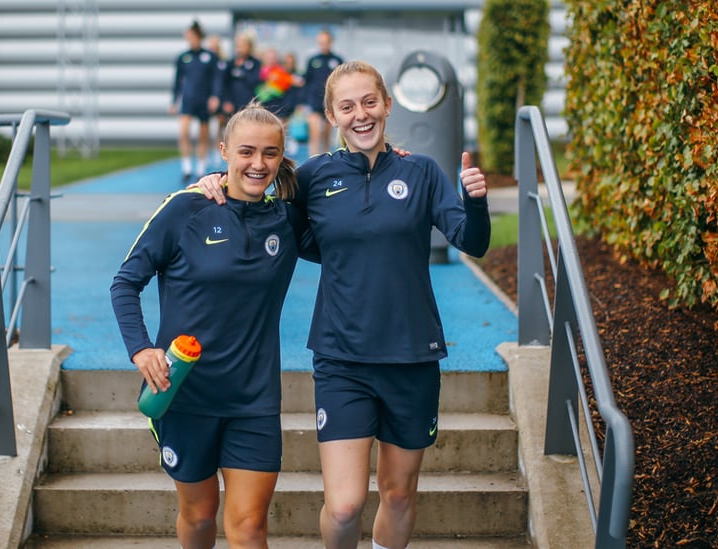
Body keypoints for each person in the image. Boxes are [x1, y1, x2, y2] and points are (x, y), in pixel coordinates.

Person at [195, 60, 490, 549]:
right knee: (346, 504)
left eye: (369, 102)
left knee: (397, 496)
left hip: (412, 357)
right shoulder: (312, 177)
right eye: (347, 106)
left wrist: (474, 201)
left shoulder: (422, 172)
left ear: (388, 105)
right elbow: (257, 195)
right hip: (341, 358)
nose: (361, 114)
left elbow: (472, 242)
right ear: (331, 115)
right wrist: (210, 183)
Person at [110, 103, 310, 549]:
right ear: (223, 151)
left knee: (249, 528)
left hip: (253, 400)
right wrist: (141, 349)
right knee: (199, 518)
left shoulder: (288, 217)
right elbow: (125, 282)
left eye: (270, 153)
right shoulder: (186, 210)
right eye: (246, 151)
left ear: (281, 157)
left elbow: (346, 193)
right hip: (184, 395)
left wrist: (389, 156)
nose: (258, 164)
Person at [170, 20, 221, 183]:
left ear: (198, 36)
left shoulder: (210, 57)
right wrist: (174, 101)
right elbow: (178, 81)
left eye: (191, 36)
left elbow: (216, 80)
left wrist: (215, 96)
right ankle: (186, 167)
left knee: (203, 134)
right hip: (188, 100)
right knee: (183, 132)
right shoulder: (183, 57)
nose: (189, 39)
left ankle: (200, 167)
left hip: (204, 101)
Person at [302, 28, 343, 156]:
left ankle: (325, 161)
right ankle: (312, 160)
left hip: (330, 102)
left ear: (330, 42)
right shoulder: (313, 60)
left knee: (326, 135)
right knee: (315, 133)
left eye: (326, 42)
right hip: (314, 102)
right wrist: (303, 102)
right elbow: (306, 81)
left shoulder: (337, 60)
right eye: (321, 42)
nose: (324, 44)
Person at [206, 34, 229, 168]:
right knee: (209, 128)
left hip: (221, 97)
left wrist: (225, 100)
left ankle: (218, 152)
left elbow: (225, 83)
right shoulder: (208, 62)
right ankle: (210, 152)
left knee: (220, 127)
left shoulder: (223, 62)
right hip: (209, 98)